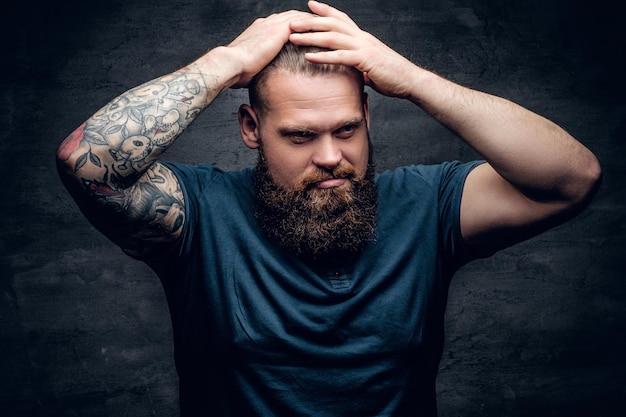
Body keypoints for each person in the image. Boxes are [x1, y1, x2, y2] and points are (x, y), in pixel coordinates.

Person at [56, 1, 601, 415]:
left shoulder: (428, 206)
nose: (331, 157)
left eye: (347, 129)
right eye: (299, 136)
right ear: (252, 129)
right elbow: (87, 161)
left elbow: (572, 179)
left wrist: (413, 81)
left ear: (368, 115)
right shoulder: (198, 214)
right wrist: (230, 62)